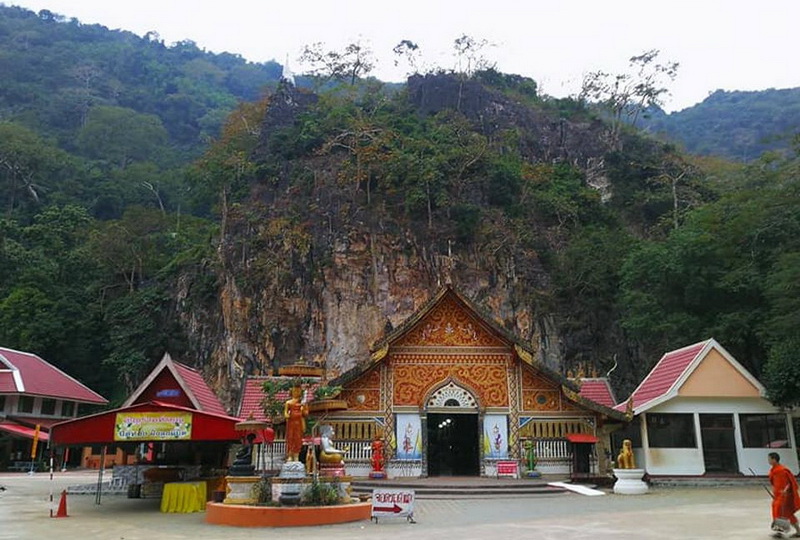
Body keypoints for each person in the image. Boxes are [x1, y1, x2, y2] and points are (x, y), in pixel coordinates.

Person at [768, 452, 800, 537]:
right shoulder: (774, 470)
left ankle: (798, 531)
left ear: (774, 460)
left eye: (769, 459)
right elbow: (774, 483)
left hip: (784, 496)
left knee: (787, 513)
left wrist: (785, 490)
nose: (768, 461)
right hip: (777, 495)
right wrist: (774, 492)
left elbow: (790, 483)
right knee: (776, 511)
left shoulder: (782, 470)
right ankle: (779, 532)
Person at [284, 386, 308, 462]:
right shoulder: (288, 403)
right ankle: (290, 455)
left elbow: (306, 413)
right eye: (295, 391)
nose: (296, 393)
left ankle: (296, 455)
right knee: (290, 438)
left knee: (298, 439)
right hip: (291, 423)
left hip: (299, 423)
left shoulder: (302, 403)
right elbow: (285, 412)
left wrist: (303, 409)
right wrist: (287, 415)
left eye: (298, 391)